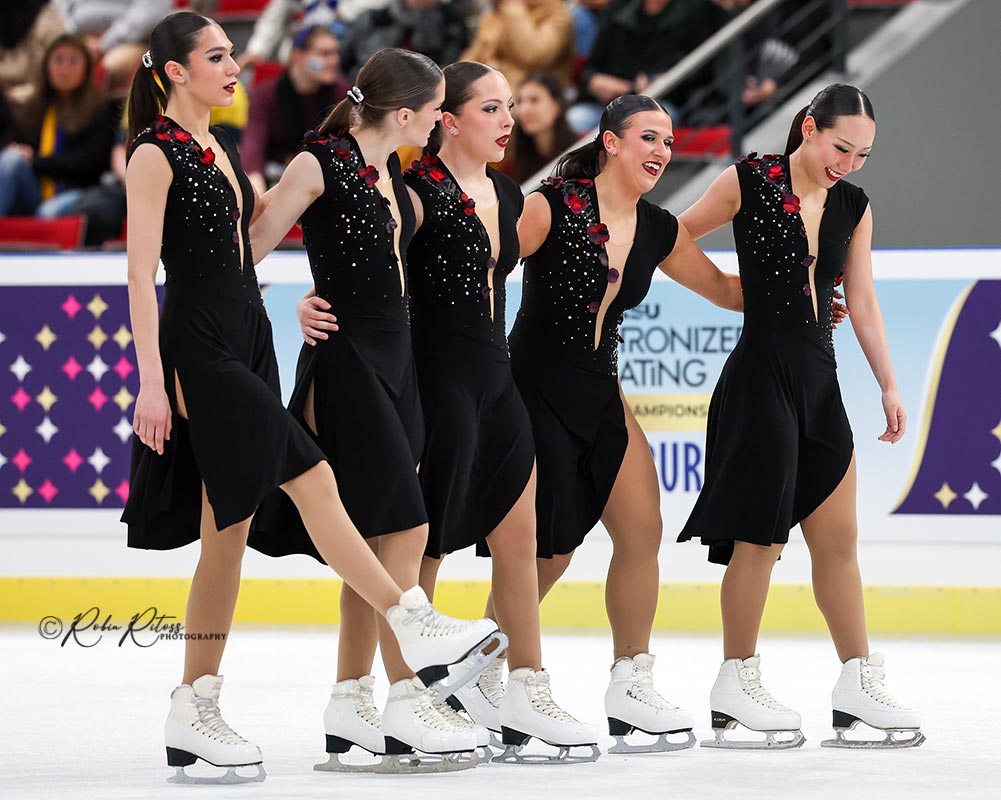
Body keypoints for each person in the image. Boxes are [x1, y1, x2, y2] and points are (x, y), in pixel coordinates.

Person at [121, 14, 501, 784]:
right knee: (312, 473)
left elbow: (246, 251)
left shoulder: (222, 147)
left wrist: (288, 302)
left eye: (233, 52)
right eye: (217, 56)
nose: (235, 65)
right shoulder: (153, 153)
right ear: (173, 71)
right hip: (199, 345)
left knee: (226, 536)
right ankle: (412, 619)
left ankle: (193, 704)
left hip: (249, 335)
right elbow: (139, 272)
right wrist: (152, 382)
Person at [298, 60, 598, 764]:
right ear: (448, 120)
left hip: (497, 382)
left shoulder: (507, 191)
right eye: (490, 108)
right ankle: (407, 696)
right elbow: (362, 265)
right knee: (411, 553)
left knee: (519, 542)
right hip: (435, 387)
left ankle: (525, 687)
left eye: (508, 106)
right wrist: (309, 300)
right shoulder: (412, 192)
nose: (507, 120)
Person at [248, 48, 498, 772]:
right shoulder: (316, 163)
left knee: (378, 531)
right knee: (406, 522)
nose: (440, 119)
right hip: (348, 360)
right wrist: (291, 303)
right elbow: (247, 249)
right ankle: (408, 693)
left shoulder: (392, 171)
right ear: (404, 112)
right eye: (436, 109)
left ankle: (349, 699)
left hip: (398, 362)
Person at [677, 84, 924, 750]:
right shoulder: (748, 181)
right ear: (809, 128)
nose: (849, 164)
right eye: (841, 147)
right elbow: (667, 236)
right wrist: (727, 292)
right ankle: (734, 684)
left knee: (838, 541)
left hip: (820, 383)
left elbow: (861, 301)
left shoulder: (853, 205)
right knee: (760, 541)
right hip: (760, 379)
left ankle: (856, 684)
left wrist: (889, 384)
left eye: (863, 155)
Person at [511, 93, 744, 753]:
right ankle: (488, 671)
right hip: (531, 389)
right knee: (550, 550)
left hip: (600, 389)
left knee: (643, 528)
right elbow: (479, 266)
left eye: (667, 142)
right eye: (648, 138)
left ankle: (631, 683)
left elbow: (724, 290)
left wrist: (800, 290)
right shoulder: (551, 205)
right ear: (610, 141)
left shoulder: (657, 227)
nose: (662, 152)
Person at [0, 34, 118, 219]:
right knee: (11, 159)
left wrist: (36, 161)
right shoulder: (32, 108)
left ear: (87, 68)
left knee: (47, 213)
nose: (65, 69)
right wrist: (21, 153)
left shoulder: (101, 110)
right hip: (35, 190)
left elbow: (89, 163)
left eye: (73, 61)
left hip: (79, 191)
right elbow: (14, 144)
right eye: (58, 60)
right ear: (46, 66)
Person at [242, 24, 351, 194]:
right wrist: (257, 196)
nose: (334, 60)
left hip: (329, 184)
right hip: (277, 183)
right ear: (297, 55)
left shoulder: (343, 94)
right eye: (324, 54)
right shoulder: (267, 95)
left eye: (335, 53)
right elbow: (253, 148)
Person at [460, 0, 575, 93]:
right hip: (490, 89)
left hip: (528, 95)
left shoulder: (558, 16)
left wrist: (514, 8)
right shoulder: (498, 15)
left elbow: (532, 56)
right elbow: (474, 55)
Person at [502, 70, 574, 184]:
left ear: (557, 106)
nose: (524, 110)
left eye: (534, 100)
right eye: (520, 102)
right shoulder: (512, 169)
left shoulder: (582, 148)